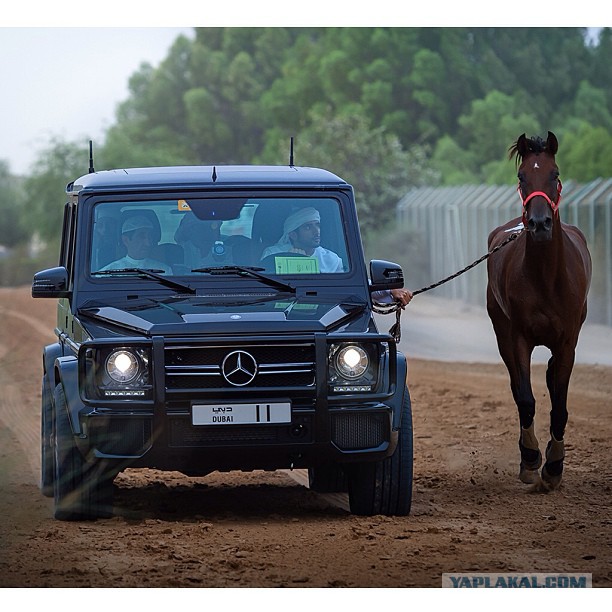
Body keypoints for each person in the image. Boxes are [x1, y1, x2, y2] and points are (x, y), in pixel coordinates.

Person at [262, 207, 413, 306]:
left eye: (318, 225)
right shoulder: (272, 254)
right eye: (308, 227)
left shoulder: (331, 259)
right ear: (293, 234)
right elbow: (261, 288)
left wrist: (390, 291)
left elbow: (351, 285)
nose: (316, 231)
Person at [101, 215, 172, 273]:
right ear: (126, 240)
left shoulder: (164, 271)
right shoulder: (108, 273)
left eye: (150, 237)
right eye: (141, 236)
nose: (148, 243)